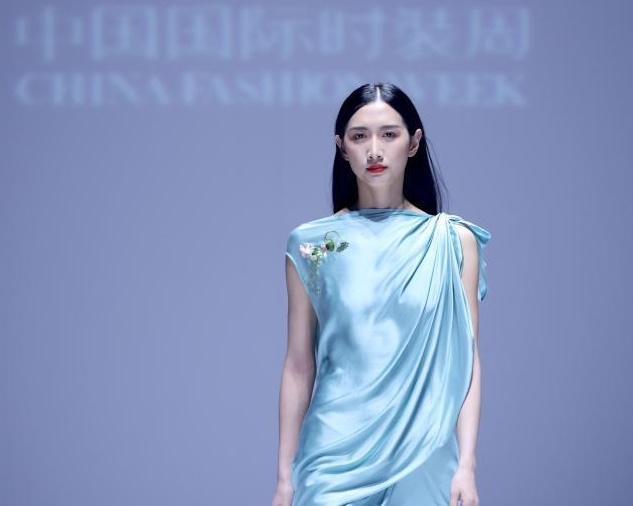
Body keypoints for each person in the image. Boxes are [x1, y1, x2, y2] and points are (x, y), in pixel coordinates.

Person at [272, 82, 491, 506]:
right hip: (332, 454)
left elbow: (467, 361)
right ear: (342, 147)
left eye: (389, 134)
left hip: (424, 455)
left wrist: (466, 464)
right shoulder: (311, 245)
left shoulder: (451, 241)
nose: (374, 150)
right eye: (359, 136)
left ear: (414, 143)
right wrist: (284, 478)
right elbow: (298, 365)